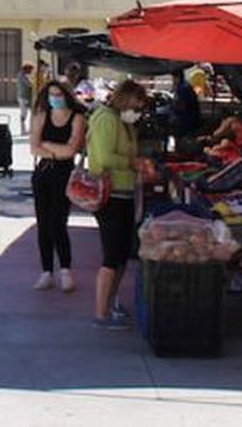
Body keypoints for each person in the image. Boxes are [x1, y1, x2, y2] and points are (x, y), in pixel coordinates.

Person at [87, 78, 149, 329]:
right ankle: (100, 314)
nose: (138, 111)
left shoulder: (123, 122)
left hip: (123, 193)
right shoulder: (106, 119)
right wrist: (132, 163)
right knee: (112, 255)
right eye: (137, 105)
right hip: (110, 195)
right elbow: (103, 157)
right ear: (125, 99)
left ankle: (111, 303)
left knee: (122, 254)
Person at [30, 80, 88, 293]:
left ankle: (65, 269)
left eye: (58, 94)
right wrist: (56, 150)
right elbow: (34, 147)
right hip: (43, 173)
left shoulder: (77, 117)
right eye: (51, 94)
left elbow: (72, 150)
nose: (55, 98)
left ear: (66, 95)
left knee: (58, 222)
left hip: (65, 175)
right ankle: (46, 271)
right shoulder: (41, 116)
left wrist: (48, 147)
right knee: (43, 223)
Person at [16, 62, 36, 135]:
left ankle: (24, 129)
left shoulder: (22, 75)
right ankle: (22, 129)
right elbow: (29, 84)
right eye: (30, 70)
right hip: (23, 96)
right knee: (24, 113)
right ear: (26, 69)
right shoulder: (22, 76)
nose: (30, 72)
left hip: (23, 96)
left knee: (25, 113)